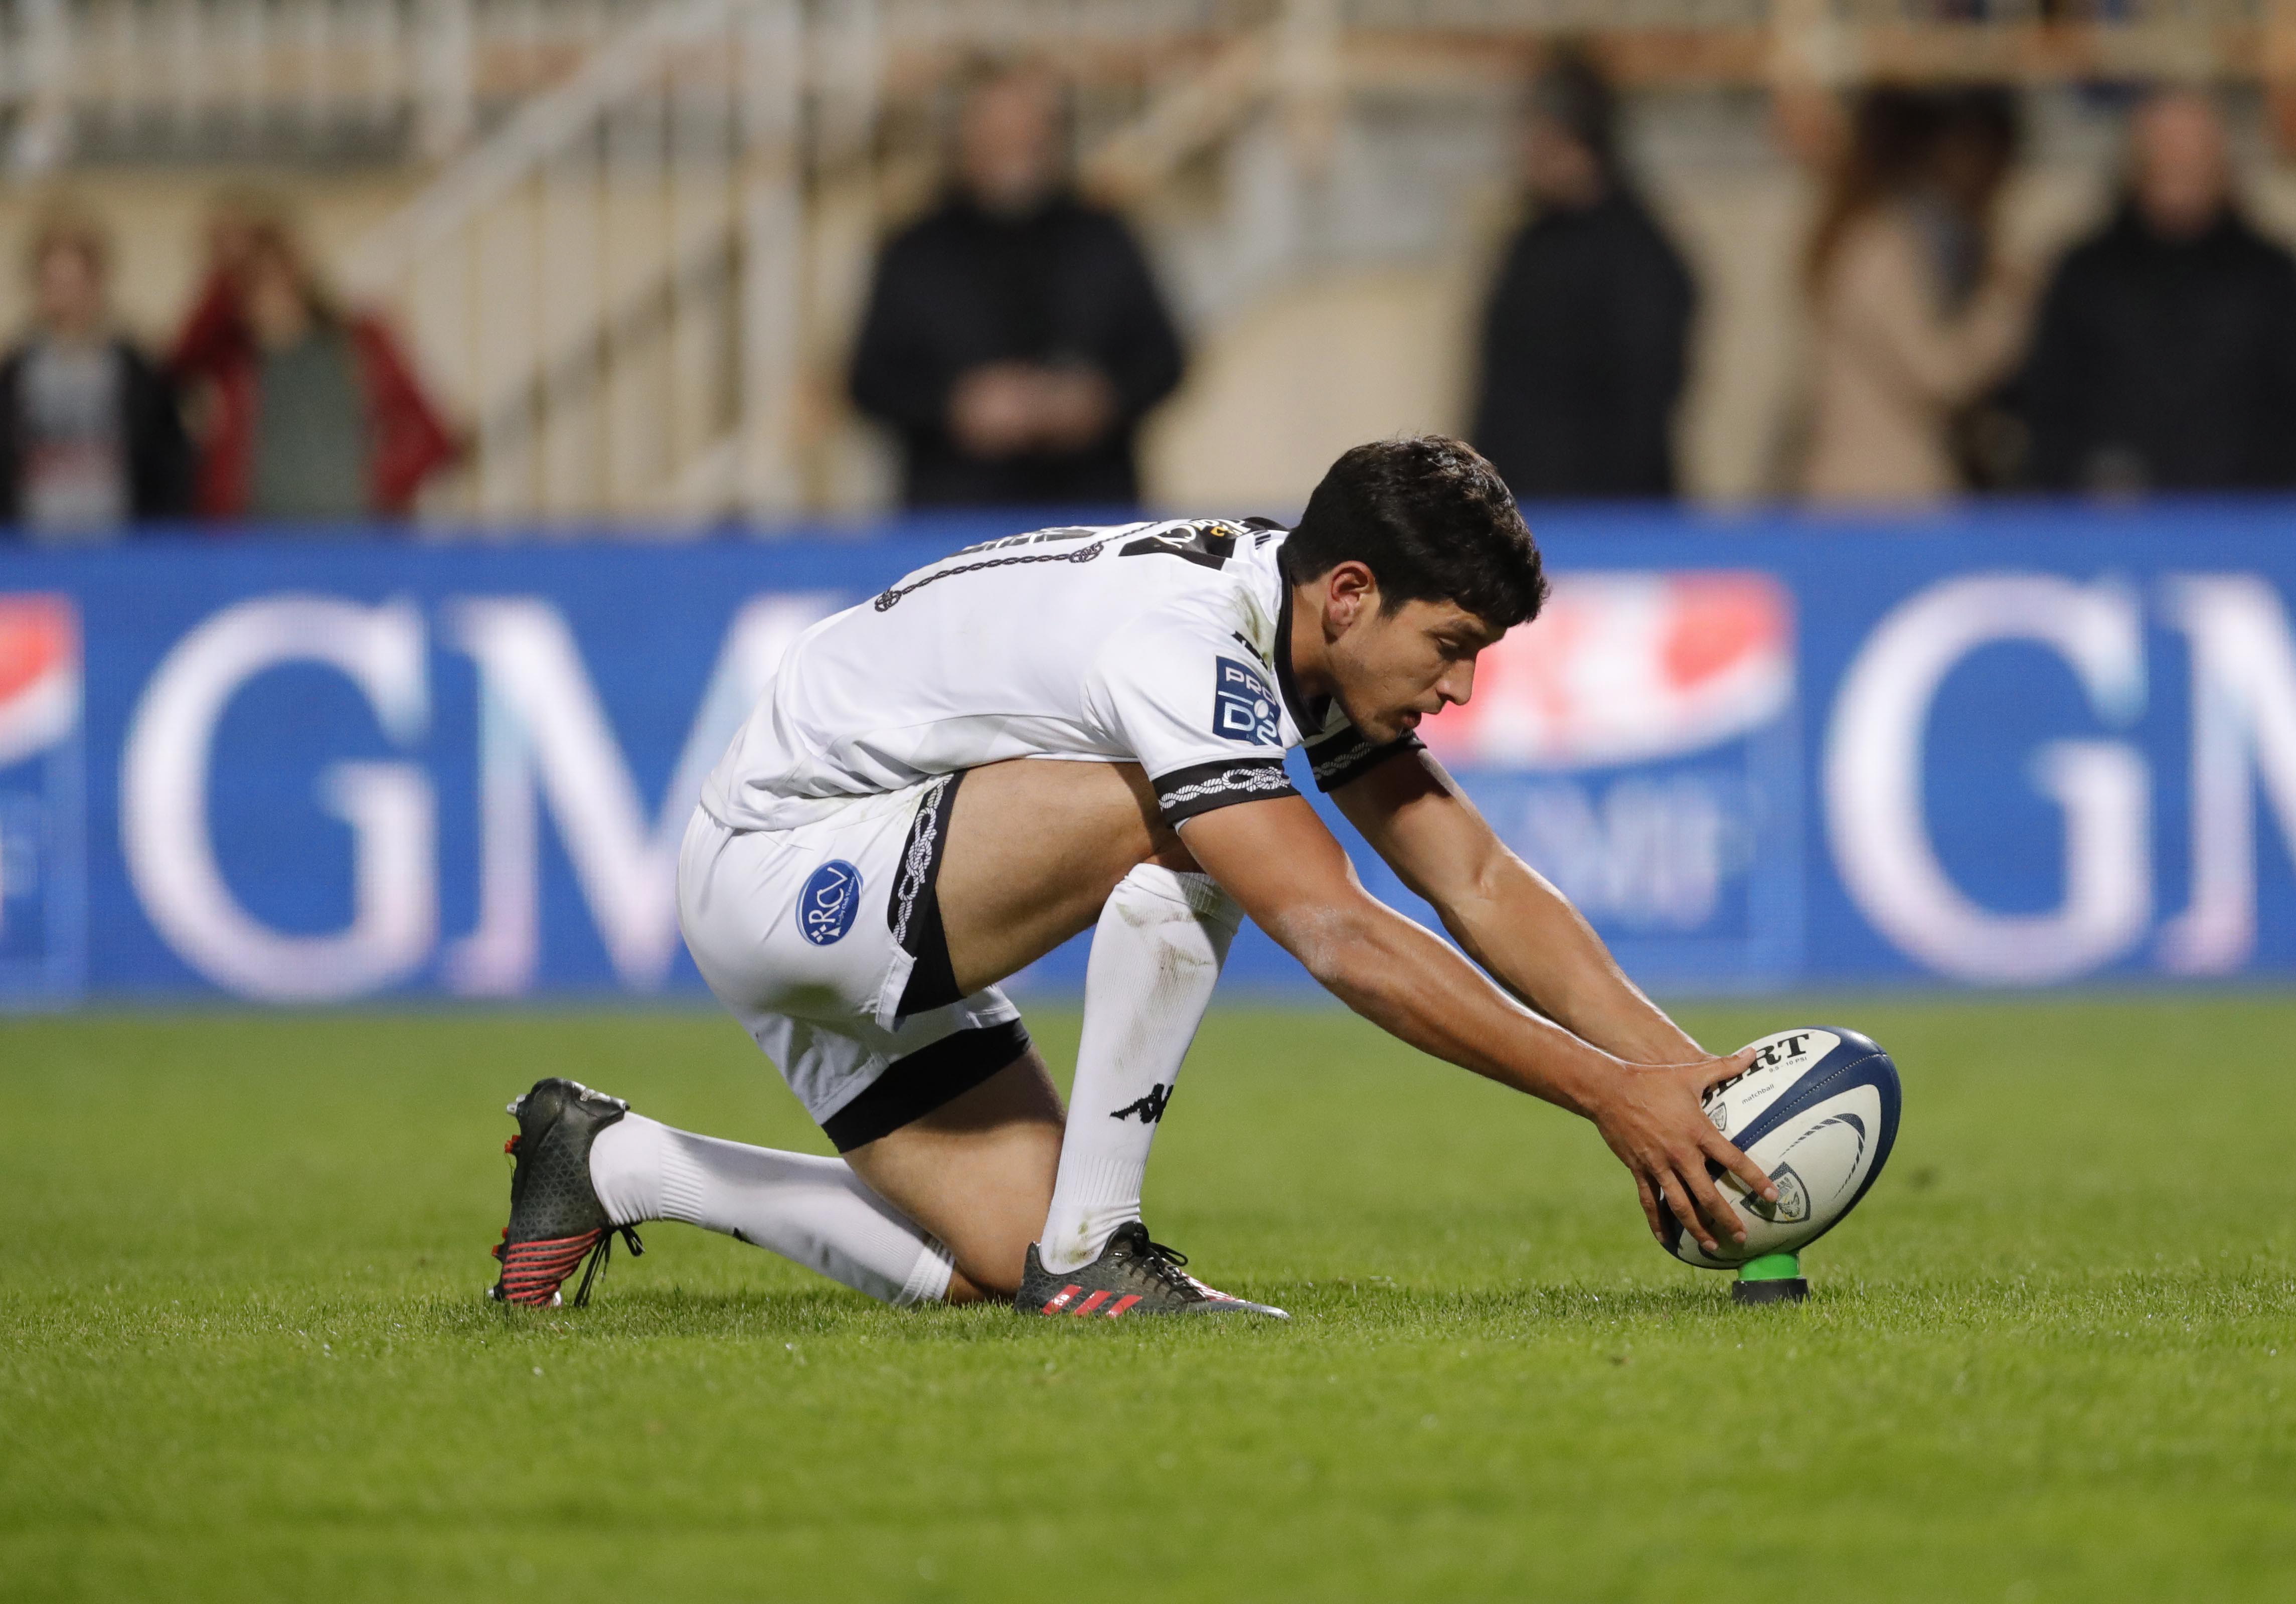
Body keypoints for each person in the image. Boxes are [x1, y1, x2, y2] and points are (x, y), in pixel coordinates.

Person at [484, 438, 1775, 1318]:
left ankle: (617, 1162)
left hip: (868, 865)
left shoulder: (1292, 631)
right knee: (1203, 818)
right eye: (1448, 647)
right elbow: (1330, 927)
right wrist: (1603, 1097)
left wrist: (1690, 1091)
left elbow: (1477, 877)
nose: (1458, 687)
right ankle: (1098, 1257)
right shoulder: (1184, 644)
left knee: (995, 1257)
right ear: (1348, 593)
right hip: (790, 867)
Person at [847, 62, 1186, 509]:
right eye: (997, 127)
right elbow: (870, 380)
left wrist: (1099, 399)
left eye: (1030, 126)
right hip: (953, 518)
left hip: (1091, 513)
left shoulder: (1102, 237)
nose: (1015, 142)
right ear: (963, 135)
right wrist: (956, 407)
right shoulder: (915, 248)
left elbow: (1163, 359)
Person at [2012, 88, 2296, 494]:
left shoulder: (2271, 274)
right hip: (2112, 527)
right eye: (2164, 151)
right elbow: (2051, 403)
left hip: (2242, 522)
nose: (2178, 165)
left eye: (2192, 152)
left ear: (2221, 162)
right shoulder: (2086, 273)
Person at [1469, 48, 1698, 499]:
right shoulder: (1531, 243)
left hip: (1609, 517)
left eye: (1537, 129)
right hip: (1521, 511)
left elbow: (1644, 406)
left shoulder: (1637, 256)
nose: (1525, 148)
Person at [1798, 86, 2034, 504]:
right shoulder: (1879, 249)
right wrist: (2006, 303)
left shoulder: (1879, 239)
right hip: (1878, 497)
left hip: (1882, 490)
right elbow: (1939, 374)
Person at [171, 217, 461, 521]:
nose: (268, 293)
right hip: (252, 544)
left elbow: (432, 435)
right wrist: (221, 273)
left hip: (351, 543)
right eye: (250, 280)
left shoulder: (359, 343)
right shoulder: (232, 358)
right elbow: (178, 368)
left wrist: (374, 487)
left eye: (276, 276)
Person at [0, 210, 194, 533]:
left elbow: (168, 459)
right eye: (55, 282)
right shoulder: (16, 372)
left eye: (76, 281)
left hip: (120, 543)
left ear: (97, 281)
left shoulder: (137, 370)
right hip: (32, 544)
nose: (66, 295)